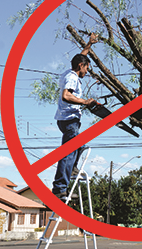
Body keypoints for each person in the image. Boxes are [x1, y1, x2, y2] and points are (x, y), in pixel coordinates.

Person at [52, 33, 98, 200]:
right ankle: (59, 188)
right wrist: (85, 102)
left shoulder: (68, 73)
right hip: (70, 120)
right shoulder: (72, 78)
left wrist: (89, 44)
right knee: (69, 152)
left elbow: (81, 56)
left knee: (79, 145)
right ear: (81, 66)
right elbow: (66, 95)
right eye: (86, 68)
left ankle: (70, 170)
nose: (87, 71)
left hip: (65, 120)